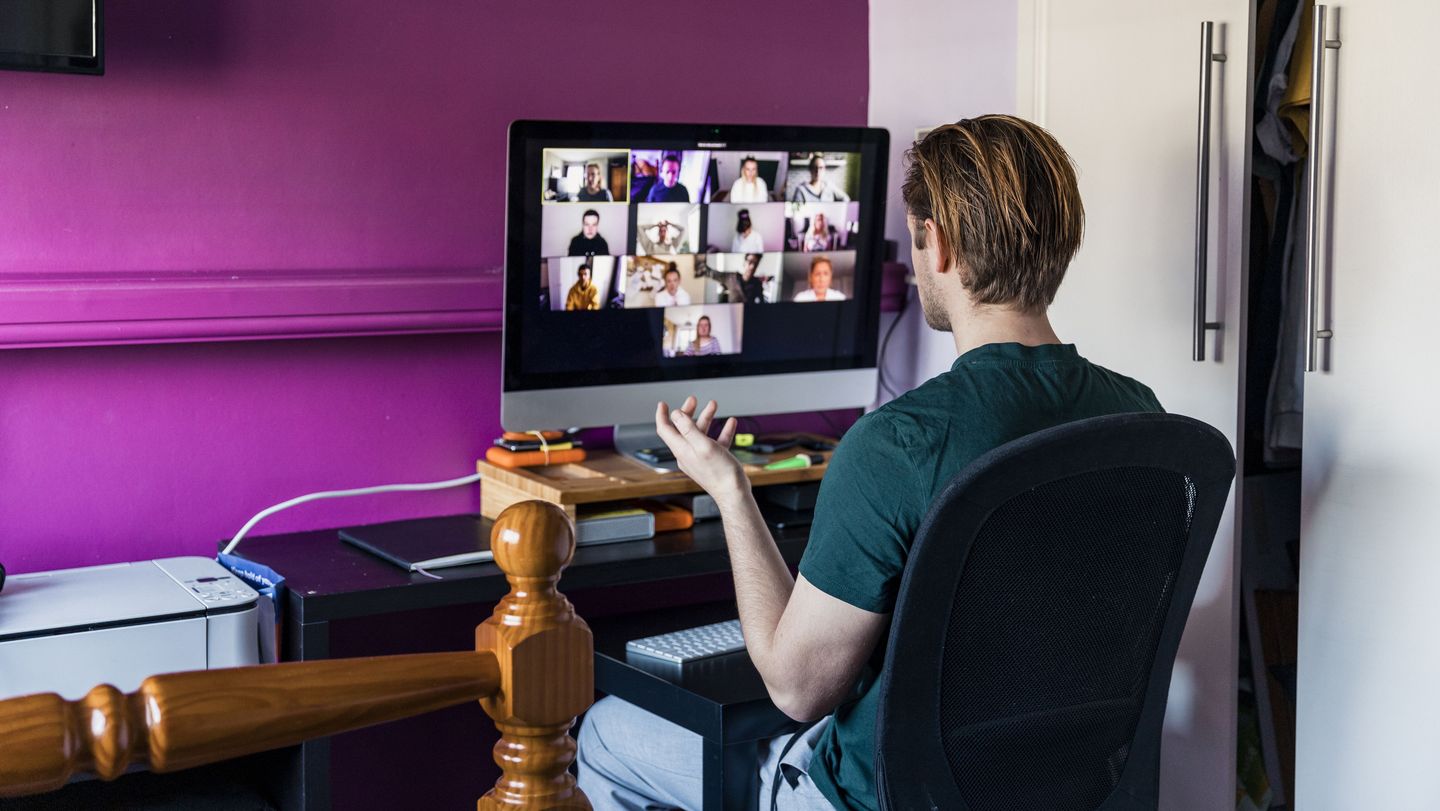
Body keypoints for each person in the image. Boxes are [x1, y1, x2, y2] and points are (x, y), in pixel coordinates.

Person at [575, 114, 1164, 811]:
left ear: (936, 244)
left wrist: (731, 491)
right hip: (1058, 789)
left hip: (880, 799)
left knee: (607, 733)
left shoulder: (895, 445)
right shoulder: (1142, 421)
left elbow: (796, 689)